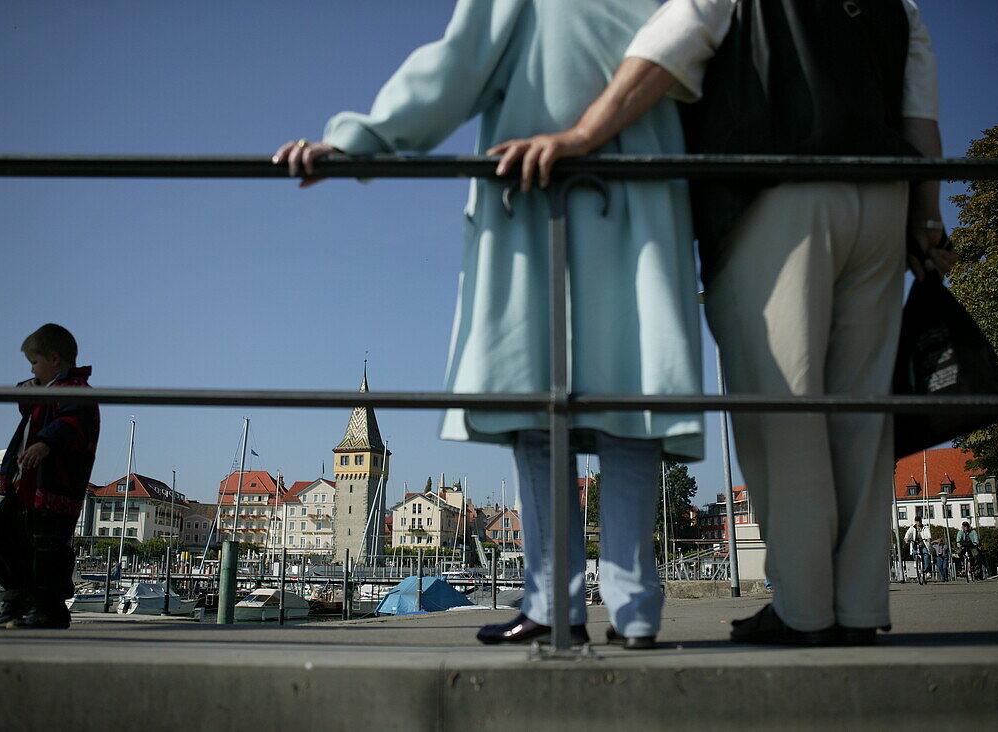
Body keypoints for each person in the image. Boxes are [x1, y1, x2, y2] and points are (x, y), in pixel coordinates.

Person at [490, 0, 953, 646]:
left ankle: (805, 611)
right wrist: (926, 221)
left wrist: (583, 135)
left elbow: (669, 45)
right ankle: (859, 607)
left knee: (782, 412)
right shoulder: (900, 8)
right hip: (882, 199)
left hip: (773, 190)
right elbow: (920, 118)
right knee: (862, 418)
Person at [273, 0, 705, 649]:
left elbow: (459, 64)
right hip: (641, 196)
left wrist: (355, 139)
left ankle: (554, 602)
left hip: (537, 198)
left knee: (536, 414)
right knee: (633, 403)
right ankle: (636, 613)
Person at [0, 324, 100, 629]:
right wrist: (32, 384)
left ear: (53, 358)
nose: (32, 370)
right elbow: (28, 404)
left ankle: (48, 608)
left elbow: (71, 423)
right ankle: (20, 595)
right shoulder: (47, 394)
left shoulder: (74, 392)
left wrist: (45, 442)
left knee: (47, 548)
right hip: (27, 487)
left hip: (53, 488)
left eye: (34, 363)